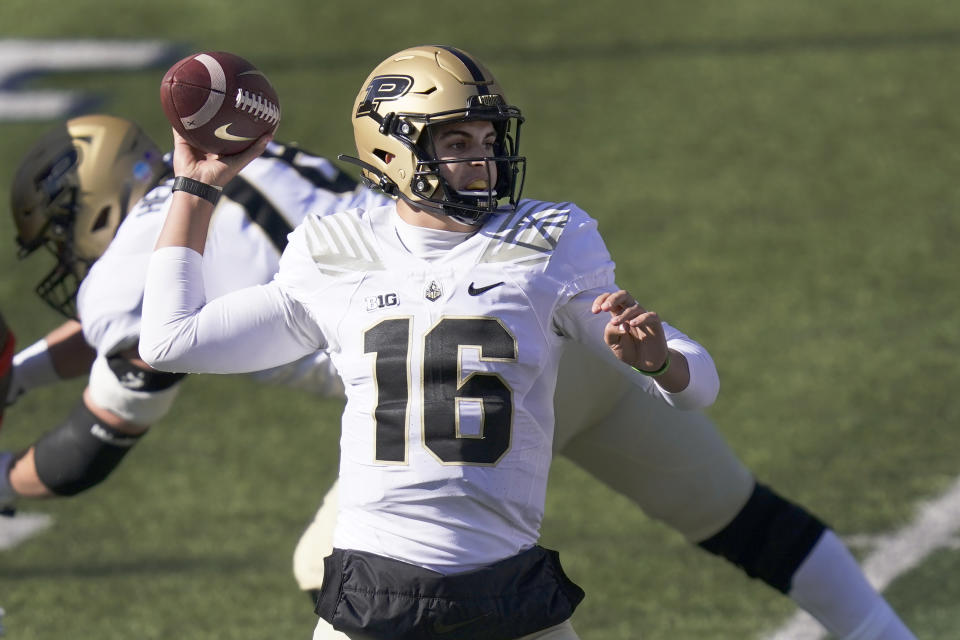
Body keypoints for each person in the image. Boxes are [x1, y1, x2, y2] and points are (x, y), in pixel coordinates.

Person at [2, 113, 911, 638]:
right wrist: (25, 375)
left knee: (340, 569)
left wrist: (4, 480)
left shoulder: (133, 266)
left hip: (436, 410)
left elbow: (101, 434)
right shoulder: (260, 164)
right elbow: (148, 326)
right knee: (737, 515)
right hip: (553, 339)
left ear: (96, 204)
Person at [0, 114, 371, 506]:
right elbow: (147, 313)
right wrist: (19, 377)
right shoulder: (229, 158)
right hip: (430, 290)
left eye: (61, 238)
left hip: (413, 381)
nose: (64, 256)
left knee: (333, 562)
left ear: (95, 208)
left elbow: (81, 456)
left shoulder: (123, 277)